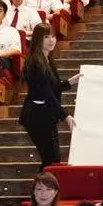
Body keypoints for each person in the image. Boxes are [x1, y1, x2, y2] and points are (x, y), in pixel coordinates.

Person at [17, 26, 69, 168]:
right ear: (37, 39)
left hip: (45, 114)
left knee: (52, 160)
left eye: (53, 36)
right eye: (46, 37)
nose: (51, 40)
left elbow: (52, 87)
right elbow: (46, 93)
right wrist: (66, 116)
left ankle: (44, 182)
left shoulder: (47, 59)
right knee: (51, 159)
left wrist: (70, 82)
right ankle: (43, 183)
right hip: (36, 115)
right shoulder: (35, 62)